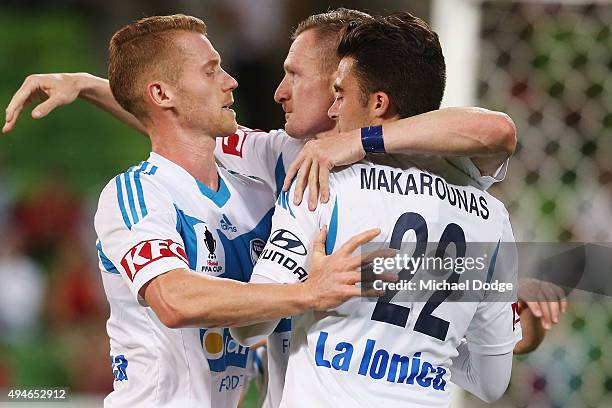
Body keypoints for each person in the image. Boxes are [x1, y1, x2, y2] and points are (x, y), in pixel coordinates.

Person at [87, 14, 382, 407]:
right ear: (161, 95)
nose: (231, 81)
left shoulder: (263, 181)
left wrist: (83, 85)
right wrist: (310, 293)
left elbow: (486, 132)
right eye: (211, 72)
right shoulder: (137, 194)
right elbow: (174, 300)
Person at [232, 13, 523, 407]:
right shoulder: (490, 216)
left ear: (378, 103)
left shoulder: (323, 183)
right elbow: (491, 381)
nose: (333, 110)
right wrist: (426, 346)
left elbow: (247, 327)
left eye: (340, 93)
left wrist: (309, 293)